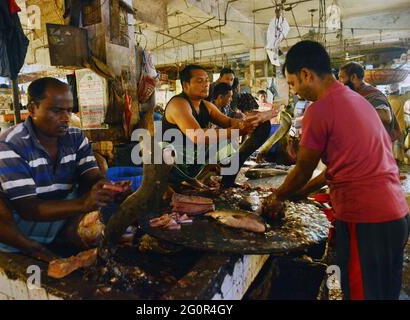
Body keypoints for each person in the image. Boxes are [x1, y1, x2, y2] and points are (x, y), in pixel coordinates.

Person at [263, 40, 409, 300]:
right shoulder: (358, 100)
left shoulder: (319, 109)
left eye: (294, 83)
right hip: (395, 216)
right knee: (386, 293)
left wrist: (278, 196)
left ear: (306, 74)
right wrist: (302, 193)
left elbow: (303, 169)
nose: (295, 92)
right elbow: (339, 169)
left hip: (365, 220)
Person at [0, 77, 129, 262]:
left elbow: (93, 176)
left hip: (61, 215)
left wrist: (107, 188)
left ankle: (64, 237)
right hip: (16, 224)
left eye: (69, 110)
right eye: (57, 110)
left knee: (99, 162)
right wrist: (83, 203)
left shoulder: (75, 137)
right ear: (32, 109)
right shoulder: (10, 142)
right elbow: (27, 208)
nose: (66, 118)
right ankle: (32, 248)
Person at [162, 64, 277, 187]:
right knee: (217, 137)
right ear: (186, 85)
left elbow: (229, 122)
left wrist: (253, 121)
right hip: (169, 165)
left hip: (189, 161)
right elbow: (198, 136)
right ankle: (167, 184)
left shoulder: (206, 106)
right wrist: (237, 129)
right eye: (200, 81)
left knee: (225, 141)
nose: (206, 84)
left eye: (207, 80)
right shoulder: (178, 104)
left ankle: (202, 178)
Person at [339, 62, 401, 142]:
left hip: (378, 147)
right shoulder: (355, 94)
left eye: (342, 78)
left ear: (353, 77)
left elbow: (386, 116)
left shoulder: (372, 94)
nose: (339, 82)